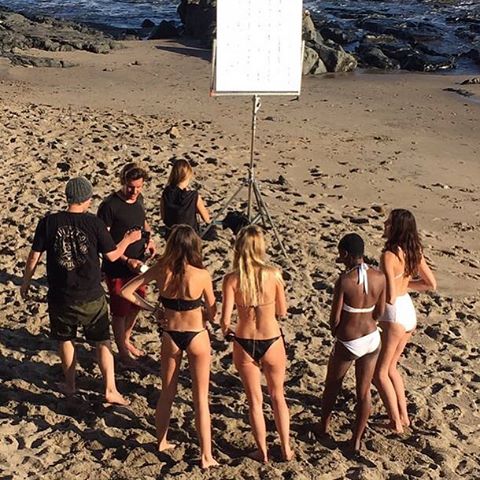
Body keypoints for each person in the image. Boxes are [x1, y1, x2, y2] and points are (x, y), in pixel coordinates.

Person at [20, 176, 141, 404]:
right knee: (102, 341)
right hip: (90, 295)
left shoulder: (49, 222)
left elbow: (34, 256)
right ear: (87, 199)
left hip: (61, 295)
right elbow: (113, 256)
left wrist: (26, 282)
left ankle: (70, 384)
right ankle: (110, 389)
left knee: (66, 340)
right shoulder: (93, 223)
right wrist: (128, 239)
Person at [120, 225, 218, 469]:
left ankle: (162, 441)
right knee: (200, 398)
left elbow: (126, 291)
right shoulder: (201, 274)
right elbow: (213, 311)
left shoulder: (162, 269)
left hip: (171, 335)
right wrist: (205, 314)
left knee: (167, 392)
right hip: (196, 335)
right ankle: (206, 455)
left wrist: (154, 309)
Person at [221, 225, 293, 463]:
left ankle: (262, 452)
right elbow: (282, 311)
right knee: (278, 396)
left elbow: (224, 320)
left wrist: (227, 330)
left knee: (255, 401)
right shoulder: (273, 274)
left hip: (244, 340)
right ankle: (286, 448)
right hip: (271, 339)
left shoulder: (232, 279)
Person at [320, 233, 386, 453]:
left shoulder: (345, 280)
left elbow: (335, 318)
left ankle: (323, 427)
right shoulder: (380, 276)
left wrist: (336, 332)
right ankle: (356, 440)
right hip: (372, 338)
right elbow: (380, 311)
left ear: (346, 254)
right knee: (363, 392)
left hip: (349, 340)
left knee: (332, 384)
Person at [375, 209, 436, 433]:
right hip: (408, 310)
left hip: (394, 315)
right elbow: (430, 284)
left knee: (379, 373)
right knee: (392, 368)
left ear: (396, 228)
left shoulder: (388, 256)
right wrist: (406, 285)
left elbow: (389, 296)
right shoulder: (414, 251)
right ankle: (404, 416)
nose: (385, 224)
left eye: (389, 222)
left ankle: (395, 421)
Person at [97, 162, 156, 364]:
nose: (134, 191)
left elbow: (143, 221)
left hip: (139, 264)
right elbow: (104, 241)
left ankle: (126, 339)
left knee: (137, 303)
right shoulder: (109, 206)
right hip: (117, 266)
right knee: (120, 309)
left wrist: (150, 239)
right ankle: (122, 351)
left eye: (139, 187)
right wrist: (126, 259)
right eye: (131, 187)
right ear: (123, 182)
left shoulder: (140, 199)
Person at [160, 159, 211, 236]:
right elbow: (206, 219)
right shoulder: (193, 196)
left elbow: (163, 217)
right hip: (189, 236)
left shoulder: (166, 193)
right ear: (188, 175)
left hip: (171, 235)